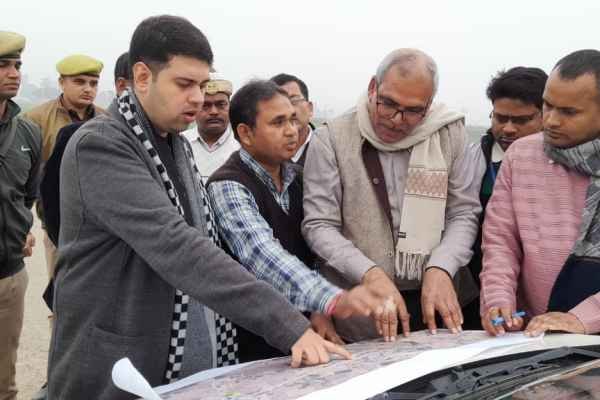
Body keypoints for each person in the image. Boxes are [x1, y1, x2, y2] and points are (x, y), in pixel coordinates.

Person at [48, 15, 361, 400]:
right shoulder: (101, 145)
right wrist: (290, 325)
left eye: (202, 84)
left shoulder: (175, 145)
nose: (197, 98)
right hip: (116, 362)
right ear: (143, 77)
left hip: (171, 357)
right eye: (185, 84)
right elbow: (179, 247)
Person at [303, 48, 481, 342]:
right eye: (388, 104)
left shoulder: (450, 132)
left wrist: (441, 267)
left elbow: (463, 213)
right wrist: (370, 274)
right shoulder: (332, 138)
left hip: (440, 301)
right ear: (373, 87)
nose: (397, 119)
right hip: (362, 308)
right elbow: (319, 225)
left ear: (429, 105)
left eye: (413, 111)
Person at [208, 80, 385, 361]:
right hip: (254, 333)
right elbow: (263, 255)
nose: (292, 130)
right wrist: (332, 299)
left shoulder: (299, 178)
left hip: (306, 329)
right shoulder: (229, 185)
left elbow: (314, 252)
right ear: (245, 133)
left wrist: (319, 311)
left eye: (292, 119)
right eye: (278, 123)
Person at [481, 49, 600, 337]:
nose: (551, 121)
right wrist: (498, 299)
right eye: (548, 106)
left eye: (569, 112)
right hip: (535, 335)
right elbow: (500, 239)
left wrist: (584, 318)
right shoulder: (521, 155)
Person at [23, 52, 105, 327]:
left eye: (93, 83)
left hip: (101, 224)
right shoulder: (36, 119)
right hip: (58, 222)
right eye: (79, 82)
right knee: (63, 295)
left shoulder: (106, 120)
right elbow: (25, 176)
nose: (88, 89)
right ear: (61, 82)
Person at [462, 66, 547, 329]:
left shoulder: (561, 167)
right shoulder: (472, 158)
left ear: (546, 114)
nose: (508, 129)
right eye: (500, 118)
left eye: (521, 120)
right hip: (482, 294)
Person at [0, 31, 42, 400]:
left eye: (16, 65)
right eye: (3, 65)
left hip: (9, 277)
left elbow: (26, 196)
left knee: (4, 382)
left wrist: (19, 230)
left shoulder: (27, 132)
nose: (14, 73)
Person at [182, 74, 239, 182]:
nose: (214, 112)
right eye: (205, 105)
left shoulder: (243, 146)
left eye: (221, 104)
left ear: (230, 106)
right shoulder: (180, 142)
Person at [271, 73, 314, 165]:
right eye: (279, 104)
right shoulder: (262, 153)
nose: (289, 110)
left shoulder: (329, 146)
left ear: (310, 108)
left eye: (294, 101)